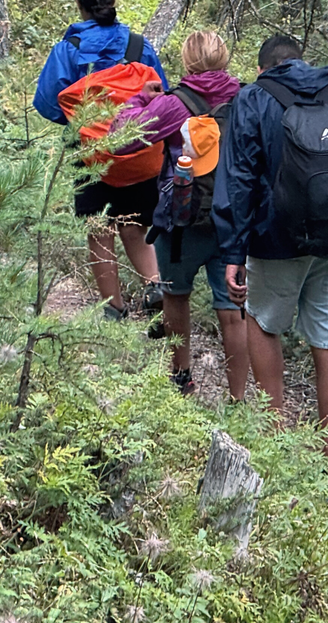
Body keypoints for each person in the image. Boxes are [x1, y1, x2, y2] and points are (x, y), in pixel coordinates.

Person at [214, 34, 328, 459]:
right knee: (327, 338)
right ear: (302, 61)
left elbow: (239, 177)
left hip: (275, 237)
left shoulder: (253, 99)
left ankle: (275, 441)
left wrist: (234, 251)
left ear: (262, 68)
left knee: (264, 323)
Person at [112, 31, 248, 398]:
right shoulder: (247, 99)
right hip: (233, 222)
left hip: (182, 222)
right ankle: (237, 397)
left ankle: (181, 376)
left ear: (187, 63)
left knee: (175, 296)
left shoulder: (175, 104)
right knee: (232, 309)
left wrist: (141, 99)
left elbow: (120, 137)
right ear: (224, 58)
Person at [33, 0, 167, 321]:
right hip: (137, 152)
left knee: (99, 229)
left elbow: (46, 102)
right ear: (114, 0)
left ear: (79, 4)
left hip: (90, 154)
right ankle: (154, 286)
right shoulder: (139, 47)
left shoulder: (70, 50)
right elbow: (162, 97)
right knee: (135, 225)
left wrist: (85, 123)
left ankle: (114, 309)